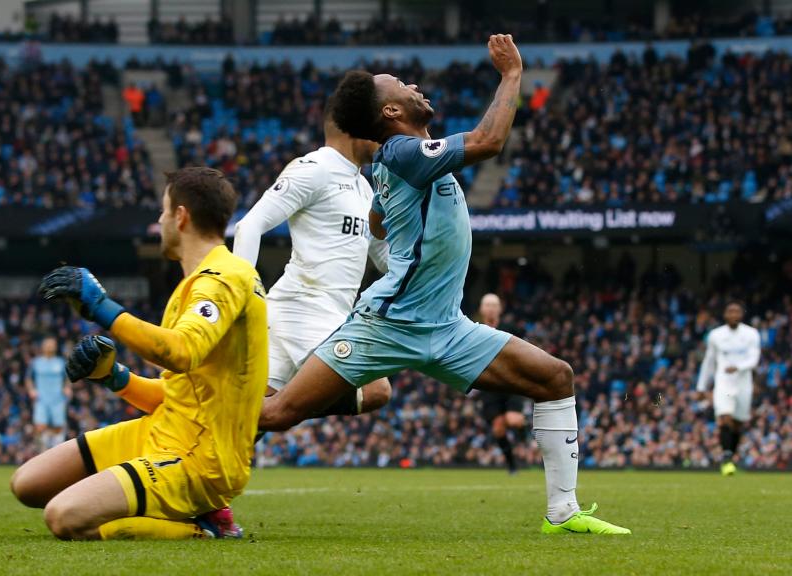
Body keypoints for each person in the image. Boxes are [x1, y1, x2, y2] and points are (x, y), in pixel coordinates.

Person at [258, 35, 629, 535]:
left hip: (448, 326)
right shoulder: (405, 151)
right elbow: (488, 142)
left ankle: (562, 512)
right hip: (387, 325)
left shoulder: (399, 162)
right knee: (278, 413)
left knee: (555, 378)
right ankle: (182, 429)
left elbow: (378, 224)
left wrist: (396, 222)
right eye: (401, 84)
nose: (414, 84)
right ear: (391, 110)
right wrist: (512, 75)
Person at [10, 167, 268, 540]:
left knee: (65, 518)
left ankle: (202, 526)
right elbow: (178, 394)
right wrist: (115, 377)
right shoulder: (196, 284)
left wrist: (103, 308)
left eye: (163, 211)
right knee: (29, 484)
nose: (159, 219)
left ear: (181, 216)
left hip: (199, 456)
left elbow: (182, 352)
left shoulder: (223, 279)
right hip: (164, 432)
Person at [234, 98, 392, 419]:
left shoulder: (363, 186)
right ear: (353, 127)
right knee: (377, 389)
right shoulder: (315, 169)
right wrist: (241, 301)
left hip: (308, 314)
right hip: (306, 308)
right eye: (376, 128)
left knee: (248, 423)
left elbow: (383, 255)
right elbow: (249, 225)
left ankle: (160, 458)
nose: (382, 137)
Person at [696, 300, 761, 476]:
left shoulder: (751, 334)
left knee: (738, 424)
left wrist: (738, 367)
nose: (733, 315)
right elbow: (709, 361)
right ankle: (726, 459)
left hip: (743, 382)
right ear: (725, 315)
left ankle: (730, 456)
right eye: (730, 312)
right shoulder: (716, 335)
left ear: (741, 315)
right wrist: (701, 386)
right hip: (723, 382)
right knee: (725, 418)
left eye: (737, 312)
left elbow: (754, 359)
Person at [476, 294, 526, 474]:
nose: (490, 308)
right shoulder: (474, 330)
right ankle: (512, 465)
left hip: (511, 382)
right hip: (489, 384)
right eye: (487, 305)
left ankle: (525, 442)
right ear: (482, 309)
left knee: (514, 419)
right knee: (498, 428)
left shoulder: (511, 329)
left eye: (494, 305)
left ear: (500, 309)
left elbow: (523, 353)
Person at [26, 337, 70, 450]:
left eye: (52, 344)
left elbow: (68, 378)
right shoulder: (36, 362)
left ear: (55, 347)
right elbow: (28, 378)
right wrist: (31, 390)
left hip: (58, 399)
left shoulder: (61, 362)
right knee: (40, 426)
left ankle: (54, 452)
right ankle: (42, 450)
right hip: (41, 399)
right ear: (43, 347)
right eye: (48, 344)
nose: (50, 346)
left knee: (58, 427)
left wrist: (67, 388)